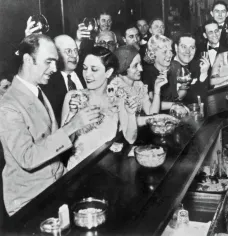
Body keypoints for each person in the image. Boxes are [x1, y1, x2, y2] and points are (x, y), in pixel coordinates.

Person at [0, 34, 103, 215]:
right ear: (27, 59)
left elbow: (52, 140)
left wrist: (74, 119)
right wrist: (72, 126)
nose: (55, 68)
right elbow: (27, 158)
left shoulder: (37, 90)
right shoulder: (8, 106)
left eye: (55, 61)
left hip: (56, 183)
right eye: (49, 61)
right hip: (29, 198)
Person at [61, 46, 138, 170]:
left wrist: (131, 114)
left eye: (94, 69)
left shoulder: (117, 98)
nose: (87, 74)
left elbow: (131, 138)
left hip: (107, 169)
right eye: (85, 68)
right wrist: (71, 114)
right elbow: (63, 146)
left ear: (108, 72)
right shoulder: (73, 97)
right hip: (77, 170)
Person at [112, 45, 167, 118]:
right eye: (135, 66)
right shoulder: (115, 89)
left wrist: (157, 89)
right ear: (123, 66)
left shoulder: (138, 84)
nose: (141, 69)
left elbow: (151, 113)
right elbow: (126, 124)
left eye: (140, 64)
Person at [41, 35, 85, 125]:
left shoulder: (86, 74)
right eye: (68, 51)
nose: (74, 55)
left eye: (76, 51)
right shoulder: (47, 83)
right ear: (56, 54)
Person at [142, 34, 185, 110]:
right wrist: (174, 105)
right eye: (165, 52)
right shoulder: (146, 73)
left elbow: (177, 97)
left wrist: (184, 87)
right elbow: (151, 102)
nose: (169, 55)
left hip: (177, 110)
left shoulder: (176, 66)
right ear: (153, 54)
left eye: (170, 51)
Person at [172, 33, 210, 104]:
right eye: (184, 47)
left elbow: (200, 99)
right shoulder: (166, 66)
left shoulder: (198, 66)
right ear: (176, 47)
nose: (188, 51)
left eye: (192, 47)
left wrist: (204, 73)